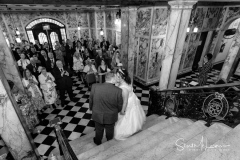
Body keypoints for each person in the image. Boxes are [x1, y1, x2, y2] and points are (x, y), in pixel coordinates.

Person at [89, 72, 123, 145]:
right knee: (110, 131)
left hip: (97, 114)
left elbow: (91, 100)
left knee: (98, 130)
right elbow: (120, 106)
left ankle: (98, 142)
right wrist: (115, 111)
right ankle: (109, 143)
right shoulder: (118, 91)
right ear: (113, 79)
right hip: (110, 115)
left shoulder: (94, 86)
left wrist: (92, 109)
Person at [114, 69, 146, 140]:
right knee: (134, 114)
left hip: (128, 102)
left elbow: (125, 102)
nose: (117, 78)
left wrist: (122, 110)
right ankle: (135, 127)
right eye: (117, 76)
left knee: (127, 116)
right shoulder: (128, 81)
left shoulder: (124, 89)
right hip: (132, 97)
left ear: (124, 77)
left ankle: (128, 130)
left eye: (119, 77)